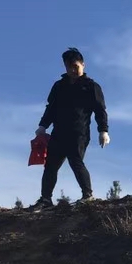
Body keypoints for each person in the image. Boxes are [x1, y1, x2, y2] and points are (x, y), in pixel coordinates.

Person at [33, 47, 108, 208]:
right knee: (50, 166)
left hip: (79, 133)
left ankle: (88, 195)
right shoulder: (59, 86)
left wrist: (103, 130)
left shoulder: (91, 86)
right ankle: (45, 199)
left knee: (76, 162)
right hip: (58, 132)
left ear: (83, 65)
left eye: (76, 66)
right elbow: (51, 108)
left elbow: (100, 110)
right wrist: (43, 126)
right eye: (69, 67)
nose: (73, 70)